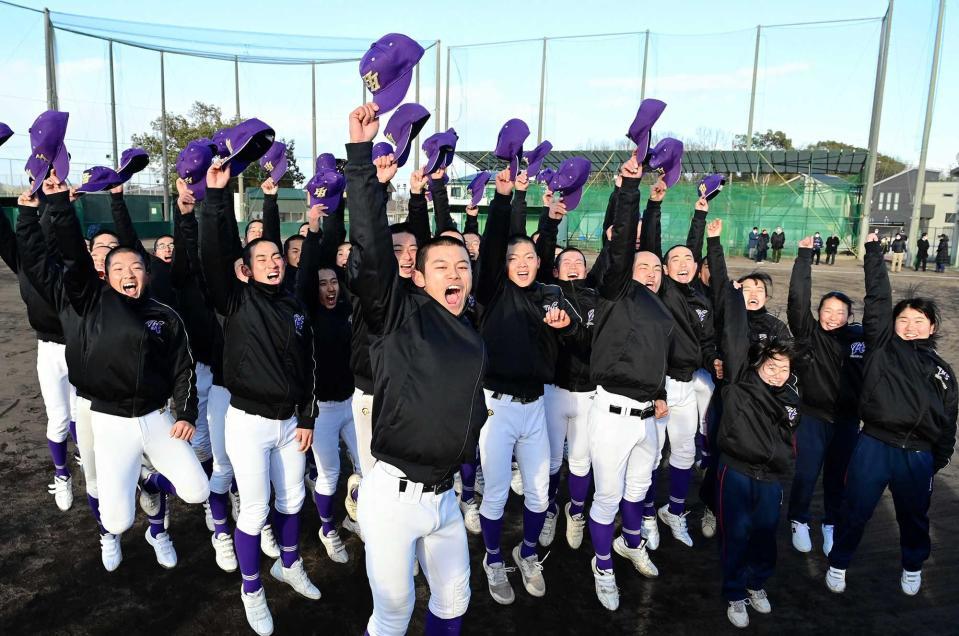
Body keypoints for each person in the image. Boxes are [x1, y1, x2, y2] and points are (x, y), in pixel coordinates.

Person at [345, 103, 487, 636]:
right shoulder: (396, 314)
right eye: (441, 267)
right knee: (394, 611)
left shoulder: (472, 331)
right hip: (393, 498)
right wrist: (362, 163)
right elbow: (373, 253)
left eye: (463, 267)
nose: (455, 274)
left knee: (452, 603)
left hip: (445, 499)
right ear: (419, 278)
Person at [45, 173, 210, 567]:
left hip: (155, 417)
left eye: (136, 267)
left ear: (146, 273)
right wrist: (59, 206)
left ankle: (149, 480)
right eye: (118, 269)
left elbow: (183, 367)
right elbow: (71, 256)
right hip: (110, 421)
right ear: (105, 274)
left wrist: (185, 412)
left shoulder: (164, 315)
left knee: (199, 491)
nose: (128, 275)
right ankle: (126, 508)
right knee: (117, 520)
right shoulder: (92, 301)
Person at [200, 161, 320, 636]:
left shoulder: (294, 306)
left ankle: (288, 564)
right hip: (247, 422)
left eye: (277, 256)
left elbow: (309, 365)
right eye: (262, 257)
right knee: (253, 508)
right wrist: (214, 197)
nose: (272, 261)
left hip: (292, 424)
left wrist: (308, 416)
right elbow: (214, 255)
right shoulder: (236, 300)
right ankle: (252, 588)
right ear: (244, 270)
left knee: (291, 501)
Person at [826, 232, 956, 597]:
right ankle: (839, 562)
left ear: (931, 328)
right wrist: (872, 254)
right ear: (893, 324)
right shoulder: (881, 348)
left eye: (919, 321)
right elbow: (878, 301)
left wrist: (936, 458)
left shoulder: (943, 371)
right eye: (904, 319)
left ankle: (912, 565)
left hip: (918, 455)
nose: (910, 325)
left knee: (914, 517)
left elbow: (948, 419)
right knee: (856, 510)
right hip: (874, 445)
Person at [474, 167, 580, 605]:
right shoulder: (495, 290)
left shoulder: (551, 294)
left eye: (529, 258)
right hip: (495, 408)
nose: (521, 263)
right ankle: (494, 559)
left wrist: (567, 325)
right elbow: (500, 238)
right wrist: (504, 199)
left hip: (536, 408)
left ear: (540, 261)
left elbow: (575, 337)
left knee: (540, 491)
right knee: (497, 491)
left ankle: (529, 552)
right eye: (514, 258)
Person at [586, 154, 673, 612]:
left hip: (647, 415)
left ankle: (630, 541)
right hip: (612, 412)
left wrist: (659, 394)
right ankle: (602, 564)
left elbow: (654, 359)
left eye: (656, 268)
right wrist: (630, 190)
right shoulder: (617, 288)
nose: (651, 272)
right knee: (607, 495)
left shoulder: (661, 307)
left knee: (639, 490)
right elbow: (623, 248)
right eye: (645, 267)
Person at [706, 217, 801, 628]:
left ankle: (756, 584)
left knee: (765, 535)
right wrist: (714, 242)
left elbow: (790, 374)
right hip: (739, 467)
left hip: (771, 475)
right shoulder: (741, 369)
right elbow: (730, 323)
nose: (753, 293)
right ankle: (734, 593)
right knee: (737, 534)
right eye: (747, 289)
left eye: (759, 289)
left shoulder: (788, 375)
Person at [634, 181, 717, 551]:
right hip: (658, 386)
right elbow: (652, 248)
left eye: (689, 260)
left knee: (683, 452)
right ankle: (650, 515)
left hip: (686, 385)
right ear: (665, 270)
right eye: (675, 261)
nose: (683, 264)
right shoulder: (663, 290)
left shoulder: (701, 295)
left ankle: (675, 511)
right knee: (651, 456)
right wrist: (660, 206)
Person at [786, 237, 865, 556]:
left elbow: (879, 318)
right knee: (805, 473)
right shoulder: (809, 336)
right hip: (812, 418)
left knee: (838, 477)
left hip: (846, 422)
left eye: (840, 312)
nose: (833, 317)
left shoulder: (860, 339)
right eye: (827, 311)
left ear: (849, 315)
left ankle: (831, 523)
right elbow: (796, 301)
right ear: (818, 313)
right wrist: (803, 256)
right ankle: (798, 519)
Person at [296, 202, 359, 564]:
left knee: (367, 468)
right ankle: (327, 528)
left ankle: (354, 518)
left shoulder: (348, 309)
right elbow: (306, 277)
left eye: (333, 281)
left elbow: (341, 263)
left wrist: (340, 203)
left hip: (351, 403)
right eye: (323, 284)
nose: (329, 287)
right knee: (330, 474)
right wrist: (315, 228)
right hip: (320, 410)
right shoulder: (308, 312)